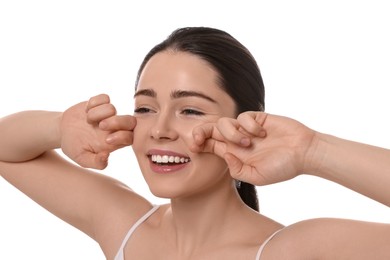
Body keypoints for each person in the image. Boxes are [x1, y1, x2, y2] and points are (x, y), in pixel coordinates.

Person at [0, 26, 389, 259]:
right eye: (146, 108)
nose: (160, 129)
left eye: (190, 110)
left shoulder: (290, 251)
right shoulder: (124, 226)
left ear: (246, 125)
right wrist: (57, 127)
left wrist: (313, 152)